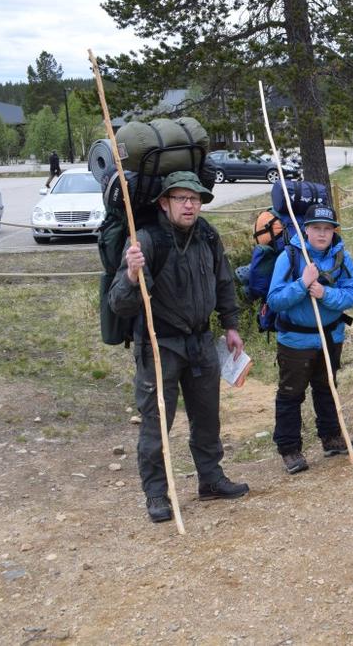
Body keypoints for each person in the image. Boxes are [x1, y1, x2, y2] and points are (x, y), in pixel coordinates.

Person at [109, 171, 249, 524]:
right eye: (181, 198)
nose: (190, 205)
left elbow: (224, 281)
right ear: (164, 202)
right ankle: (157, 494)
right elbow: (119, 304)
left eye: (195, 199)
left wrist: (230, 324)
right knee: (156, 423)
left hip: (202, 341)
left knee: (207, 418)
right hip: (161, 345)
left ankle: (211, 479)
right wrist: (130, 275)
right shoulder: (144, 241)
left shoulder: (207, 235)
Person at [266, 205, 353, 474]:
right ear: (306, 229)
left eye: (327, 228)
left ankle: (331, 437)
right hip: (296, 341)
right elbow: (274, 300)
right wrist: (301, 284)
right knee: (290, 394)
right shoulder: (289, 257)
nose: (322, 234)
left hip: (331, 335)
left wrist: (324, 294)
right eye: (316, 228)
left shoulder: (342, 256)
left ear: (333, 231)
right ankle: (289, 449)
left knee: (327, 387)